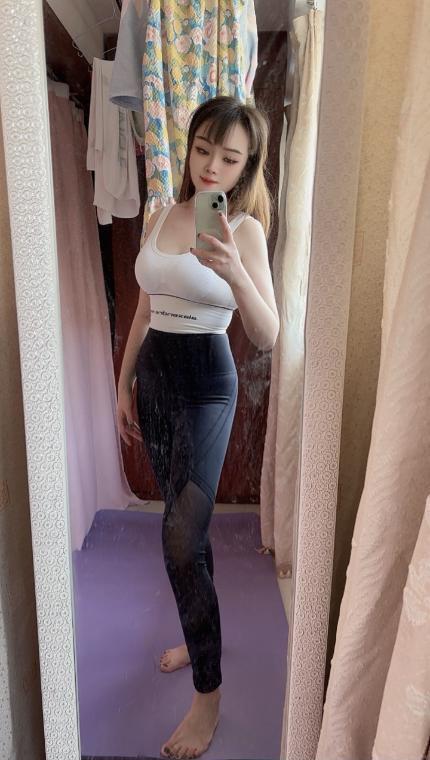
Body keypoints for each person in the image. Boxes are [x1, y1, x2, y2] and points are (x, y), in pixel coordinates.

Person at [117, 95, 279, 760]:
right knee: (186, 528)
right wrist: (123, 382)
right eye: (203, 149)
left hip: (209, 382)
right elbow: (144, 306)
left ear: (247, 167)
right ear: (189, 148)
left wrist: (235, 270)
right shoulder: (162, 213)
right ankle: (198, 630)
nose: (212, 167)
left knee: (181, 535)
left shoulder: (244, 231)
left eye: (229, 158)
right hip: (155, 374)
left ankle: (207, 697)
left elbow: (268, 334)